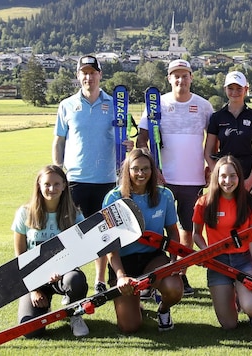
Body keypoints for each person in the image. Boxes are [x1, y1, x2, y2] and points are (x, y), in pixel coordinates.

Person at [52, 55, 133, 295]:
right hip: (75, 179)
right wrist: (58, 168)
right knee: (72, 234)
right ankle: (69, 281)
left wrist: (128, 145)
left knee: (103, 234)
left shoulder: (114, 104)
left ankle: (99, 280)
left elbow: (124, 137)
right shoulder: (66, 105)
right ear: (78, 76)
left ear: (100, 75)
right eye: (84, 73)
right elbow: (59, 140)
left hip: (107, 179)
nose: (88, 77)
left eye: (93, 72)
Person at [137, 59, 214, 296]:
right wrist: (153, 169)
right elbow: (142, 140)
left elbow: (213, 139)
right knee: (159, 228)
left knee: (187, 230)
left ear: (191, 77)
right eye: (175, 76)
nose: (180, 80)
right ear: (169, 79)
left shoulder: (203, 106)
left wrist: (210, 167)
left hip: (193, 179)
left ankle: (181, 273)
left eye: (185, 75)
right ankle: (154, 277)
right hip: (163, 180)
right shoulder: (156, 103)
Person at [103, 148, 183, 333]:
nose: (141, 173)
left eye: (146, 168)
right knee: (130, 327)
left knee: (174, 287)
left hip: (152, 258)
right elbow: (110, 244)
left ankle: (163, 310)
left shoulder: (165, 195)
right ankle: (135, 303)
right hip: (124, 262)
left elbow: (172, 231)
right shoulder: (113, 198)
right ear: (127, 171)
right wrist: (121, 276)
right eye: (136, 169)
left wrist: (173, 261)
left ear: (153, 170)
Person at [12, 165, 89, 337]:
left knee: (75, 280)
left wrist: (62, 270)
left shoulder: (74, 214)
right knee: (31, 332)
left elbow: (81, 251)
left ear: (64, 185)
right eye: (47, 184)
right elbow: (21, 258)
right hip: (35, 279)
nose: (52, 189)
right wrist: (33, 289)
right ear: (39, 185)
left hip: (64, 275)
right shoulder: (25, 213)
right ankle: (44, 307)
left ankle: (74, 312)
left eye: (56, 184)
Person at [192, 155, 252, 329]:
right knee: (229, 324)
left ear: (239, 177)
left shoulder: (250, 203)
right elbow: (196, 234)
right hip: (218, 262)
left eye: (233, 176)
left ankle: (248, 303)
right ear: (216, 177)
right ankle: (234, 295)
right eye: (223, 176)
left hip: (243, 259)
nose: (228, 181)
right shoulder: (204, 202)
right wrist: (207, 253)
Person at [205, 71, 252, 197]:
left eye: (239, 88)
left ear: (246, 89)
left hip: (249, 178)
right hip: (225, 181)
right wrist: (218, 176)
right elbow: (208, 152)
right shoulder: (217, 117)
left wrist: (251, 179)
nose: (234, 92)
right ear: (225, 89)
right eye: (230, 88)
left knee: (251, 216)